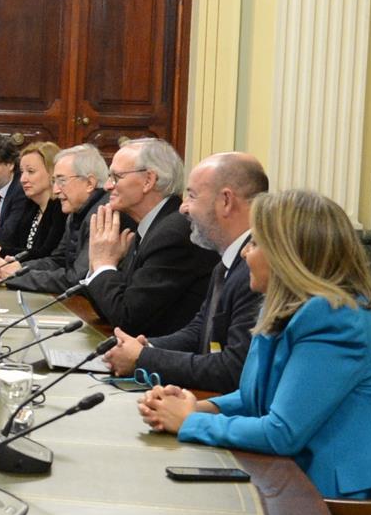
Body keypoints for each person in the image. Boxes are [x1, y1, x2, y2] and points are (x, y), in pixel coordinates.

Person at [138, 188, 371, 515]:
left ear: (288, 254)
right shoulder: (286, 308)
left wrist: (190, 422)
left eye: (256, 244)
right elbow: (254, 394)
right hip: (299, 489)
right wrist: (195, 406)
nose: (246, 254)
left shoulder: (333, 316)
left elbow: (282, 432)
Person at [106, 152, 267, 393]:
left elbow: (233, 369)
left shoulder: (256, 270)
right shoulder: (226, 262)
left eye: (192, 196)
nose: (183, 208)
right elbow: (199, 331)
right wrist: (144, 347)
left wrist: (142, 358)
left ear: (226, 201)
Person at [79, 138, 218, 337]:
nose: (108, 186)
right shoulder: (148, 226)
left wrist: (103, 264)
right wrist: (99, 266)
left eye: (116, 177)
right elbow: (109, 310)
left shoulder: (173, 234)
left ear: (148, 181)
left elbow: (127, 319)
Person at [0, 144, 119, 293]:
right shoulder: (76, 212)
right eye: (54, 181)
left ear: (89, 183)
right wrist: (19, 267)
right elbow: (58, 260)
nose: (56, 190)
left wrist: (17, 277)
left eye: (62, 181)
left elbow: (77, 280)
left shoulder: (103, 216)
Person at [0, 140, 62, 265]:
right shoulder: (31, 205)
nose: (23, 179)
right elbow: (13, 243)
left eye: (30, 171)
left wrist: (0, 252)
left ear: (52, 172)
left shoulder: (60, 209)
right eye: (22, 172)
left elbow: (46, 256)